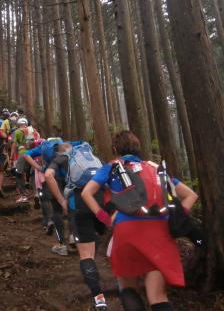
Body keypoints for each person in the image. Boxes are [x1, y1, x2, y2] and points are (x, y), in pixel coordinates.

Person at [81, 131, 198, 311]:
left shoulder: (112, 167)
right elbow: (191, 195)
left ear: (115, 149)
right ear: (138, 148)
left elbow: (86, 192)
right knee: (158, 296)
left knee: (128, 288)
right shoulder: (155, 168)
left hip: (127, 231)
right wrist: (177, 217)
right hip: (161, 233)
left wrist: (104, 217)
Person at [45, 142, 108, 310]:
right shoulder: (92, 156)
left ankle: (99, 298)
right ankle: (92, 271)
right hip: (99, 199)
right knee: (93, 239)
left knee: (85, 254)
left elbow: (48, 175)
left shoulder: (62, 157)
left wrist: (61, 200)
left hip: (78, 202)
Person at [22, 138, 73, 256]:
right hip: (68, 179)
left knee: (56, 211)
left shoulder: (43, 147)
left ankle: (62, 245)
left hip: (51, 180)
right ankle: (73, 237)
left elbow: (25, 155)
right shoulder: (63, 143)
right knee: (71, 207)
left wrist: (38, 168)